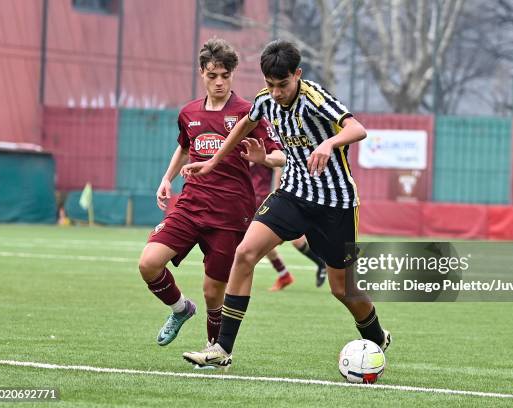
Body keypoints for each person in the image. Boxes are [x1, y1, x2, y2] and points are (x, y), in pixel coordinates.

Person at [181, 40, 390, 370]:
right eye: (270, 84)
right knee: (245, 253)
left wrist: (329, 143)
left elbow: (357, 128)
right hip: (293, 195)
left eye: (283, 84)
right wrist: (212, 162)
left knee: (341, 288)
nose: (276, 92)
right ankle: (222, 348)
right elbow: (241, 127)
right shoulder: (265, 102)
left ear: (298, 75)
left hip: (335, 203)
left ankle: (377, 336)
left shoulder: (315, 98)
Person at [137, 38, 285, 350]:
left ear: (233, 75)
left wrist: (263, 159)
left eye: (225, 76)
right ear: (202, 74)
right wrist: (166, 178)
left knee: (212, 291)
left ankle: (214, 350)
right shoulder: (188, 112)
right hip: (190, 205)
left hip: (230, 214)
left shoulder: (249, 112)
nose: (218, 82)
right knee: (149, 263)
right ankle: (180, 310)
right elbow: (184, 147)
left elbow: (282, 155)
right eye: (212, 75)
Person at [250, 164, 327, 290]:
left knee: (297, 241)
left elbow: (278, 165)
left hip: (271, 201)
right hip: (252, 201)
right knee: (260, 243)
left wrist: (275, 190)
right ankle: (284, 275)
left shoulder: (264, 148)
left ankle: (325, 265)